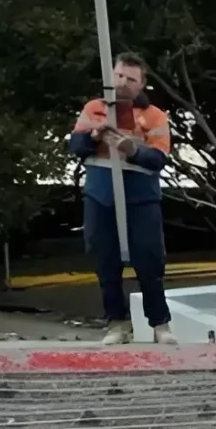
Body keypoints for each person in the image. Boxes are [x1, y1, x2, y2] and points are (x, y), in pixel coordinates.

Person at [67, 54, 173, 345]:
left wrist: (133, 149)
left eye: (131, 79)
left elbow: (158, 159)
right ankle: (116, 323)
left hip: (140, 196)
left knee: (149, 260)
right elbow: (75, 146)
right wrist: (93, 137)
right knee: (105, 259)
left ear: (142, 84)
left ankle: (160, 324)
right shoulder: (94, 109)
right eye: (119, 76)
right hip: (100, 194)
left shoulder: (154, 116)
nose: (123, 83)